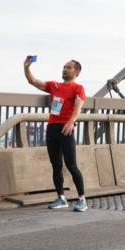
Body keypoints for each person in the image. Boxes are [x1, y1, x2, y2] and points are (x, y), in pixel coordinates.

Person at [23, 57, 88, 211]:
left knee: (71, 165)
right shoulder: (54, 85)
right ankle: (61, 198)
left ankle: (82, 199)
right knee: (56, 166)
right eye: (64, 67)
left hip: (66, 129)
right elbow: (32, 81)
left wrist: (71, 122)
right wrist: (26, 67)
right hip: (52, 129)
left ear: (76, 72)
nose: (65, 69)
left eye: (69, 67)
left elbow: (78, 106)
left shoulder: (78, 88)